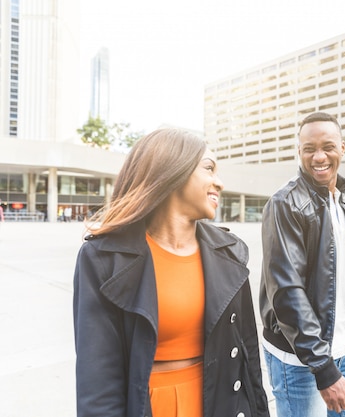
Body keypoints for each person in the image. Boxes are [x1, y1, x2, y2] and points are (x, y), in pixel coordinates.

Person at [73, 128, 269, 417]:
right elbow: (97, 382)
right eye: (209, 168)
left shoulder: (231, 252)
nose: (220, 183)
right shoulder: (103, 258)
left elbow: (249, 358)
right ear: (172, 170)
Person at [259, 112, 345, 417]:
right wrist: (323, 368)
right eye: (309, 149)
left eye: (328, 146)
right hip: (300, 360)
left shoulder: (340, 201)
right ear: (299, 152)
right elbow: (287, 292)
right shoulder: (285, 203)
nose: (319, 156)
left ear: (342, 148)